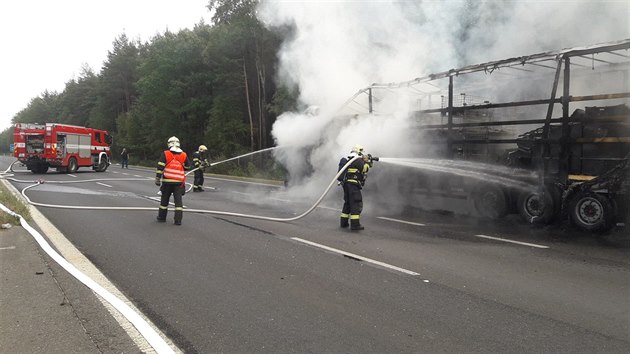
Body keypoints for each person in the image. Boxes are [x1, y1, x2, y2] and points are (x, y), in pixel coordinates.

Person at [155, 136, 191, 225]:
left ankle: (161, 217)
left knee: (164, 201)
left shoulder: (166, 153)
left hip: (167, 181)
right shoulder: (184, 154)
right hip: (179, 182)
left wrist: (158, 178)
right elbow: (188, 167)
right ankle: (178, 220)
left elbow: (160, 166)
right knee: (178, 202)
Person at [338, 144, 371, 231]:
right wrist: (367, 161)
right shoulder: (357, 160)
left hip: (346, 185)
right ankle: (355, 225)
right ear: (359, 152)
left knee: (347, 203)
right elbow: (365, 169)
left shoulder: (350, 160)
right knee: (356, 203)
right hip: (353, 186)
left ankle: (343, 223)